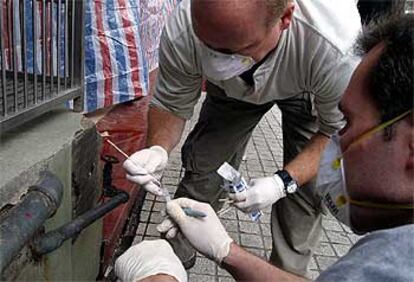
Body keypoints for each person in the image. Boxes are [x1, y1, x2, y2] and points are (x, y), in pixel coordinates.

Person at [115, 13, 414, 282]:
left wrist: (282, 182)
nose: (218, 60)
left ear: (285, 19)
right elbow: (171, 102)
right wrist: (158, 149)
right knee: (202, 165)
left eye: (349, 122)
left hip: (309, 88)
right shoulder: (185, 27)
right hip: (231, 93)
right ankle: (178, 254)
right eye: (209, 47)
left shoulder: (336, 49)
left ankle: (287, 268)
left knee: (308, 192)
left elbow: (329, 131)